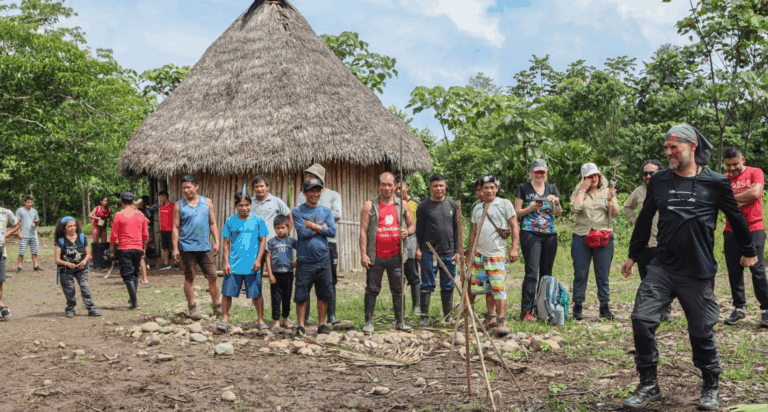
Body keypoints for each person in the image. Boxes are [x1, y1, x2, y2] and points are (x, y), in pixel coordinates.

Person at [621, 124, 758, 411]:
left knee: (701, 330)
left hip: (698, 270)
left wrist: (749, 251)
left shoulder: (716, 182)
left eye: (675, 147)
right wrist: (633, 255)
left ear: (692, 147)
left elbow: (735, 215)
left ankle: (711, 386)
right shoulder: (658, 180)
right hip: (662, 266)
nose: (670, 152)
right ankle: (649, 384)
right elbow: (645, 219)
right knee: (642, 320)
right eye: (667, 148)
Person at [360, 172, 416, 334]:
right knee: (372, 288)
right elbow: (363, 231)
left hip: (396, 256)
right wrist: (364, 254)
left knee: (398, 288)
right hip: (375, 255)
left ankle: (400, 321)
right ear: (378, 186)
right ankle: (369, 322)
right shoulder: (370, 205)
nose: (387, 188)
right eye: (383, 184)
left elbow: (412, 226)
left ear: (395, 187)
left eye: (390, 185)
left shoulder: (402, 205)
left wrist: (408, 232)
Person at [721, 147, 767, 327]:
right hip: (731, 230)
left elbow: (755, 193)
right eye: (728, 165)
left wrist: (730, 200)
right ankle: (739, 307)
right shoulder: (723, 179)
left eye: (735, 164)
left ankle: (766, 309)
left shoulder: (755, 172)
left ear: (743, 159)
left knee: (757, 269)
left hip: (754, 227)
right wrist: (740, 199)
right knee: (734, 269)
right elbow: (720, 202)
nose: (731, 168)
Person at [468, 175, 519, 336]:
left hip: (496, 254)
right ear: (481, 190)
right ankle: (490, 317)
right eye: (485, 188)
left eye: (492, 187)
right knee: (485, 288)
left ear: (496, 189)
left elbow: (514, 227)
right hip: (480, 254)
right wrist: (470, 254)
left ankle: (501, 321)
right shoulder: (477, 208)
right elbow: (474, 232)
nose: (489, 190)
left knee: (498, 288)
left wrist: (514, 248)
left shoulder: (504, 204)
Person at [624, 160, 674, 323]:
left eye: (651, 173)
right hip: (645, 243)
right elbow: (627, 207)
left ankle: (666, 311)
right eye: (645, 173)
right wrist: (634, 220)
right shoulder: (639, 192)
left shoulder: (668, 189)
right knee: (647, 280)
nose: (648, 176)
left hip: (665, 241)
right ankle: (651, 311)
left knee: (666, 278)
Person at [570, 163, 619, 320]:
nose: (594, 178)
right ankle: (578, 306)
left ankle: (604, 306)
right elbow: (575, 208)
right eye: (590, 176)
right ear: (584, 178)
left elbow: (615, 213)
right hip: (582, 235)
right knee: (580, 273)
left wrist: (610, 200)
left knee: (603, 273)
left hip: (603, 235)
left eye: (596, 175)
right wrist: (582, 190)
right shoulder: (578, 192)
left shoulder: (606, 192)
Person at [514, 159, 562, 321]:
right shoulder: (523, 188)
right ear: (531, 172)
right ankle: (526, 311)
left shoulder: (552, 188)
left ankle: (544, 309)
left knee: (546, 274)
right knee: (532, 272)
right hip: (530, 233)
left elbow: (558, 213)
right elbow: (517, 212)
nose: (539, 175)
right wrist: (530, 208)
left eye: (542, 172)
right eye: (536, 172)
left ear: (546, 172)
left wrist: (556, 202)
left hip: (550, 234)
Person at [297, 164, 342, 325]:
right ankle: (306, 317)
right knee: (305, 281)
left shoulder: (333, 195)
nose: (308, 178)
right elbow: (301, 218)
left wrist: (316, 223)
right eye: (307, 175)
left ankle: (331, 315)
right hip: (307, 243)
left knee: (329, 280)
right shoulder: (302, 195)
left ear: (321, 178)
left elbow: (337, 214)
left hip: (328, 244)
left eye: (312, 175)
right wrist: (323, 224)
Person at [172, 175, 222, 320]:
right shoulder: (179, 205)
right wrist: (175, 248)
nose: (186, 190)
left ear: (196, 186)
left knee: (212, 277)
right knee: (189, 278)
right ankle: (192, 308)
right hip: (186, 248)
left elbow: (212, 223)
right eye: (184, 188)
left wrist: (217, 241)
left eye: (189, 187)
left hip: (204, 247)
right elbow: (175, 227)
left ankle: (217, 307)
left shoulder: (207, 202)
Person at [292, 177, 336, 338]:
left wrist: (313, 226)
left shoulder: (326, 211)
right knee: (301, 294)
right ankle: (301, 326)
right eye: (311, 191)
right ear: (305, 193)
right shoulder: (297, 211)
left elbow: (332, 232)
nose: (315, 194)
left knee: (324, 293)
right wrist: (322, 227)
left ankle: (322, 324)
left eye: (317, 191)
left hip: (323, 259)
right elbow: (302, 234)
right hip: (304, 261)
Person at [219, 191, 269, 333]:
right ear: (236, 206)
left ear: (250, 205)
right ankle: (224, 319)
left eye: (247, 205)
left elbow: (263, 241)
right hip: (234, 264)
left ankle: (260, 320)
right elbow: (226, 243)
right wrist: (226, 262)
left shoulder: (258, 220)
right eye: (241, 205)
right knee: (227, 293)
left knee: (257, 294)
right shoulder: (230, 221)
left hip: (253, 265)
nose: (244, 208)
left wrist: (259, 259)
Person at [415, 174, 461, 327]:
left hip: (449, 253)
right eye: (435, 186)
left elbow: (456, 230)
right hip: (429, 252)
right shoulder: (423, 206)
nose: (438, 189)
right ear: (430, 187)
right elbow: (419, 231)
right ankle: (424, 317)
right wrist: (419, 249)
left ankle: (448, 316)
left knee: (448, 284)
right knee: (427, 284)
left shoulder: (453, 205)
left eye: (441, 185)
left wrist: (457, 250)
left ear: (445, 186)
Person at [54, 217, 100, 317]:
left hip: (81, 268)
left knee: (85, 287)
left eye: (74, 226)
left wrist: (84, 261)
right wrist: (67, 263)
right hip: (66, 270)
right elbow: (57, 260)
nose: (73, 228)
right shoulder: (60, 240)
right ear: (64, 228)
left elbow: (88, 254)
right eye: (70, 226)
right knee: (69, 290)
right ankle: (70, 308)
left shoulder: (82, 237)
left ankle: (91, 308)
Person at [109, 192, 149, 310]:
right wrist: (144, 248)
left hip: (124, 248)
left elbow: (113, 235)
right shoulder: (140, 215)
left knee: (128, 275)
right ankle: (133, 299)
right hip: (138, 248)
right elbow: (145, 234)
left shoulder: (118, 215)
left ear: (121, 202)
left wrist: (111, 249)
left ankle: (134, 303)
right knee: (135, 273)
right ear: (132, 202)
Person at [266, 214, 297, 329]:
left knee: (287, 297)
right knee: (275, 297)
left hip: (288, 273)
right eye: (278, 228)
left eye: (283, 227)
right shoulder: (271, 242)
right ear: (274, 229)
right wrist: (270, 273)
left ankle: (285, 319)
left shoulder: (291, 241)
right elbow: (268, 258)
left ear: (288, 228)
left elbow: (302, 250)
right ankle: (276, 321)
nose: (280, 230)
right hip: (275, 274)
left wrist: (296, 263)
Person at [395, 176, 421, 313]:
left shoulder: (416, 204)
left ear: (407, 187)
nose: (398, 191)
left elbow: (420, 227)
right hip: (395, 244)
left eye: (401, 188)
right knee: (398, 275)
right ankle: (400, 306)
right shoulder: (392, 203)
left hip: (411, 243)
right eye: (396, 188)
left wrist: (419, 248)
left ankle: (416, 306)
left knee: (413, 274)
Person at [251, 176, 293, 241]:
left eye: (262, 186)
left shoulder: (276, 201)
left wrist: (286, 234)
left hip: (273, 242)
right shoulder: (249, 203)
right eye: (256, 186)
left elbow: (290, 216)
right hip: (254, 241)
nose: (259, 189)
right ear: (253, 188)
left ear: (267, 187)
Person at [0, 207, 20, 320]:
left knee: (0, 282)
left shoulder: (5, 212)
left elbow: (17, 224)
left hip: (1, 251)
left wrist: (5, 235)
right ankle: (2, 307)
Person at [15, 196, 42, 272]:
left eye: (31, 202)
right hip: (24, 234)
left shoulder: (34, 211)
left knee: (35, 251)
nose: (30, 204)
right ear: (25, 202)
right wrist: (19, 232)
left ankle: (35, 265)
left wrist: (37, 222)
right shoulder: (20, 210)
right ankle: (19, 266)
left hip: (33, 234)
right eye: (28, 202)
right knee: (22, 251)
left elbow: (38, 222)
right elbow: (18, 222)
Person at [157, 191, 175, 270]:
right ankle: (166, 263)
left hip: (171, 230)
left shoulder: (173, 206)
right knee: (165, 247)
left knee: (173, 247)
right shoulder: (161, 207)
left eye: (161, 197)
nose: (160, 199)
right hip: (163, 229)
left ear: (165, 196)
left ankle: (176, 263)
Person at [137, 196, 153, 284]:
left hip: (139, 237)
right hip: (139, 236)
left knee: (141, 257)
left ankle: (144, 278)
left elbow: (147, 221)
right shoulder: (138, 212)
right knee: (141, 257)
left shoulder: (139, 212)